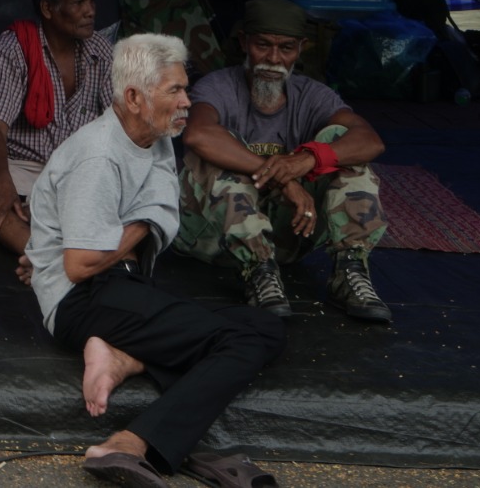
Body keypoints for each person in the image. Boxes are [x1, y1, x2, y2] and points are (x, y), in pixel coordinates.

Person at [21, 33, 286, 488]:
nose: (187, 101)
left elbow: (152, 205)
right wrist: (146, 219)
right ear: (133, 97)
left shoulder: (156, 133)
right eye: (175, 91)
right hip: (81, 299)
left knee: (266, 326)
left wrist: (144, 218)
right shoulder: (99, 157)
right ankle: (129, 442)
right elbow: (80, 264)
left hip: (121, 285)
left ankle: (125, 359)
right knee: (240, 343)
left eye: (185, 87)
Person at [175, 0, 391, 323]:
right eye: (263, 45)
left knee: (342, 146)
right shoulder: (217, 86)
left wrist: (308, 159)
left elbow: (370, 141)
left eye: (286, 48)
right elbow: (198, 135)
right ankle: (257, 268)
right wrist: (285, 177)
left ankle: (349, 269)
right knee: (221, 147)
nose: (273, 59)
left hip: (288, 237)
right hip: (212, 237)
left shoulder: (312, 95)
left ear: (301, 48)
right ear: (245, 42)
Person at [0, 0, 112, 254]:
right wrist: (2, 179)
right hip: (18, 164)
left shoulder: (100, 52)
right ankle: (45, 259)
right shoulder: (14, 48)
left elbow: (117, 125)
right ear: (48, 8)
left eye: (93, 1)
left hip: (73, 169)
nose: (91, 11)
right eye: (79, 2)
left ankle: (63, 237)